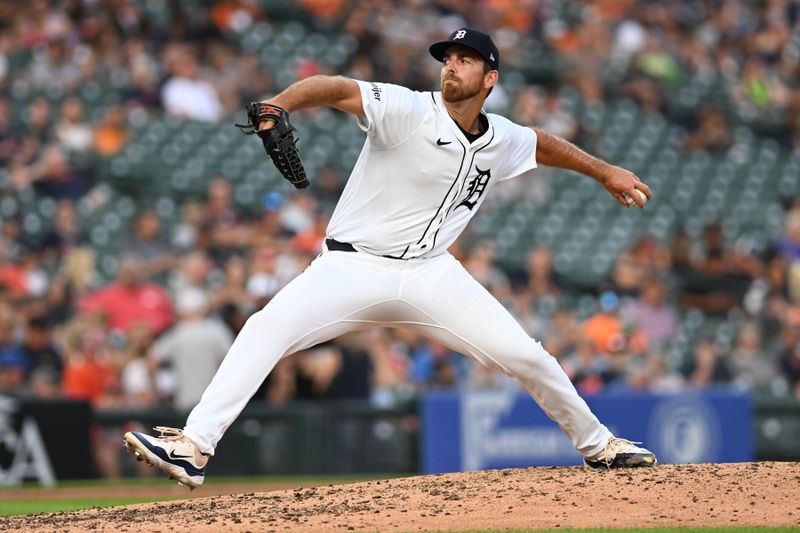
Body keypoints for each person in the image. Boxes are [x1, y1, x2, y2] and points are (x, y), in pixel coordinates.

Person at [124, 28, 656, 488]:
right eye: (447, 58)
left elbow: (540, 143)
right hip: (350, 267)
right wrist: (280, 102)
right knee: (264, 328)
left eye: (465, 60)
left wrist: (605, 170)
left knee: (526, 355)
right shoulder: (407, 108)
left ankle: (599, 445)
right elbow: (337, 88)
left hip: (429, 273)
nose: (451, 66)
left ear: (489, 78)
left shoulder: (500, 137)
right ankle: (193, 446)